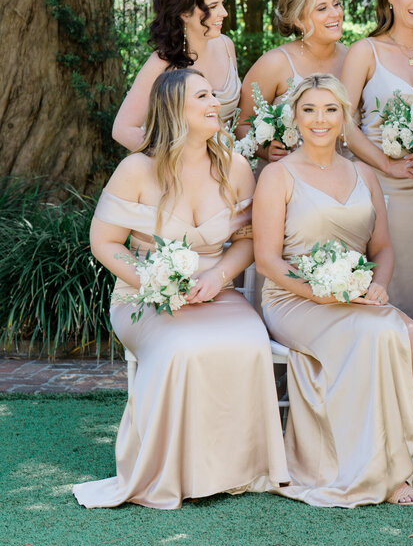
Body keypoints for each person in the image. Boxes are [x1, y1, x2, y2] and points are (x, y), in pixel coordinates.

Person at [75, 69, 287, 508]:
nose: (216, 103)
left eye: (214, 95)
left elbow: (248, 242)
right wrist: (154, 282)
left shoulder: (234, 164)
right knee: (183, 347)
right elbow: (104, 242)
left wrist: (217, 278)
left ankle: (240, 467)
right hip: (143, 296)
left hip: (215, 289)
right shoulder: (136, 168)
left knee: (250, 341)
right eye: (203, 97)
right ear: (175, 110)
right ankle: (171, 470)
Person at [254, 74, 413, 506]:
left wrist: (378, 286)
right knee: (374, 336)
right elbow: (267, 261)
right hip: (294, 298)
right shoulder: (278, 176)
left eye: (331, 109)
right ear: (294, 117)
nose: (320, 119)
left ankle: (394, 455)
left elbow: (383, 248)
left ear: (345, 116)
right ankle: (379, 472)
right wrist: (316, 293)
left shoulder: (363, 174)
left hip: (354, 295)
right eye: (310, 109)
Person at [341, 0, 413, 325]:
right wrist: (387, 164)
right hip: (383, 191)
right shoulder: (364, 52)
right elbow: (343, 121)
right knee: (389, 289)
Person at [112, 0, 240, 150]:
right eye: (213, 6)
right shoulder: (161, 63)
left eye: (222, 3)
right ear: (184, 13)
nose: (224, 13)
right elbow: (123, 129)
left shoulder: (226, 46)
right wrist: (176, 163)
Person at [237, 0, 348, 165]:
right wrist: (265, 150)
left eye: (336, 4)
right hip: (288, 178)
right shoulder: (274, 64)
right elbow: (241, 124)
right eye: (322, 8)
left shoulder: (352, 58)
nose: (335, 13)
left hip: (342, 173)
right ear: (298, 20)